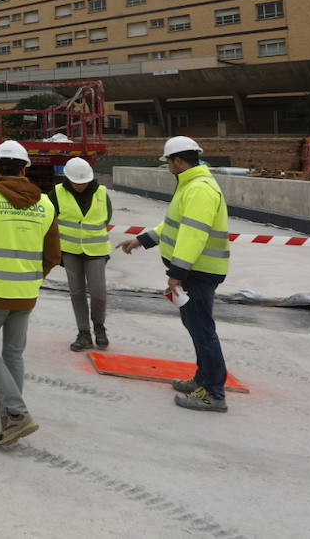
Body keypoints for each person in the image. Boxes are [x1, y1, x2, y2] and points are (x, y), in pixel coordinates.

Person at [116, 136, 231, 412]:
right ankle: (202, 381)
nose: (167, 166)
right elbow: (173, 225)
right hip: (196, 271)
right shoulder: (191, 185)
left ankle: (214, 393)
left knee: (203, 330)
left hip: (199, 272)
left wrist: (177, 272)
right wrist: (142, 240)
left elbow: (193, 235)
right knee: (195, 326)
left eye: (168, 161)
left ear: (178, 161)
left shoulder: (200, 189)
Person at [0, 140, 60, 446]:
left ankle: (16, 413)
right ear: (25, 167)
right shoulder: (44, 203)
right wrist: (32, 278)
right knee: (13, 353)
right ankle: (9, 418)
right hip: (26, 292)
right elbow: (53, 254)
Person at [49, 157, 113, 352]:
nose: (80, 185)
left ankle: (99, 327)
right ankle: (84, 333)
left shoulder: (101, 193)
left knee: (98, 293)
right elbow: (50, 221)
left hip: (96, 251)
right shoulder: (57, 193)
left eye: (83, 181)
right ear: (68, 179)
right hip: (70, 251)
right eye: (76, 182)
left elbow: (107, 217)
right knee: (76, 293)